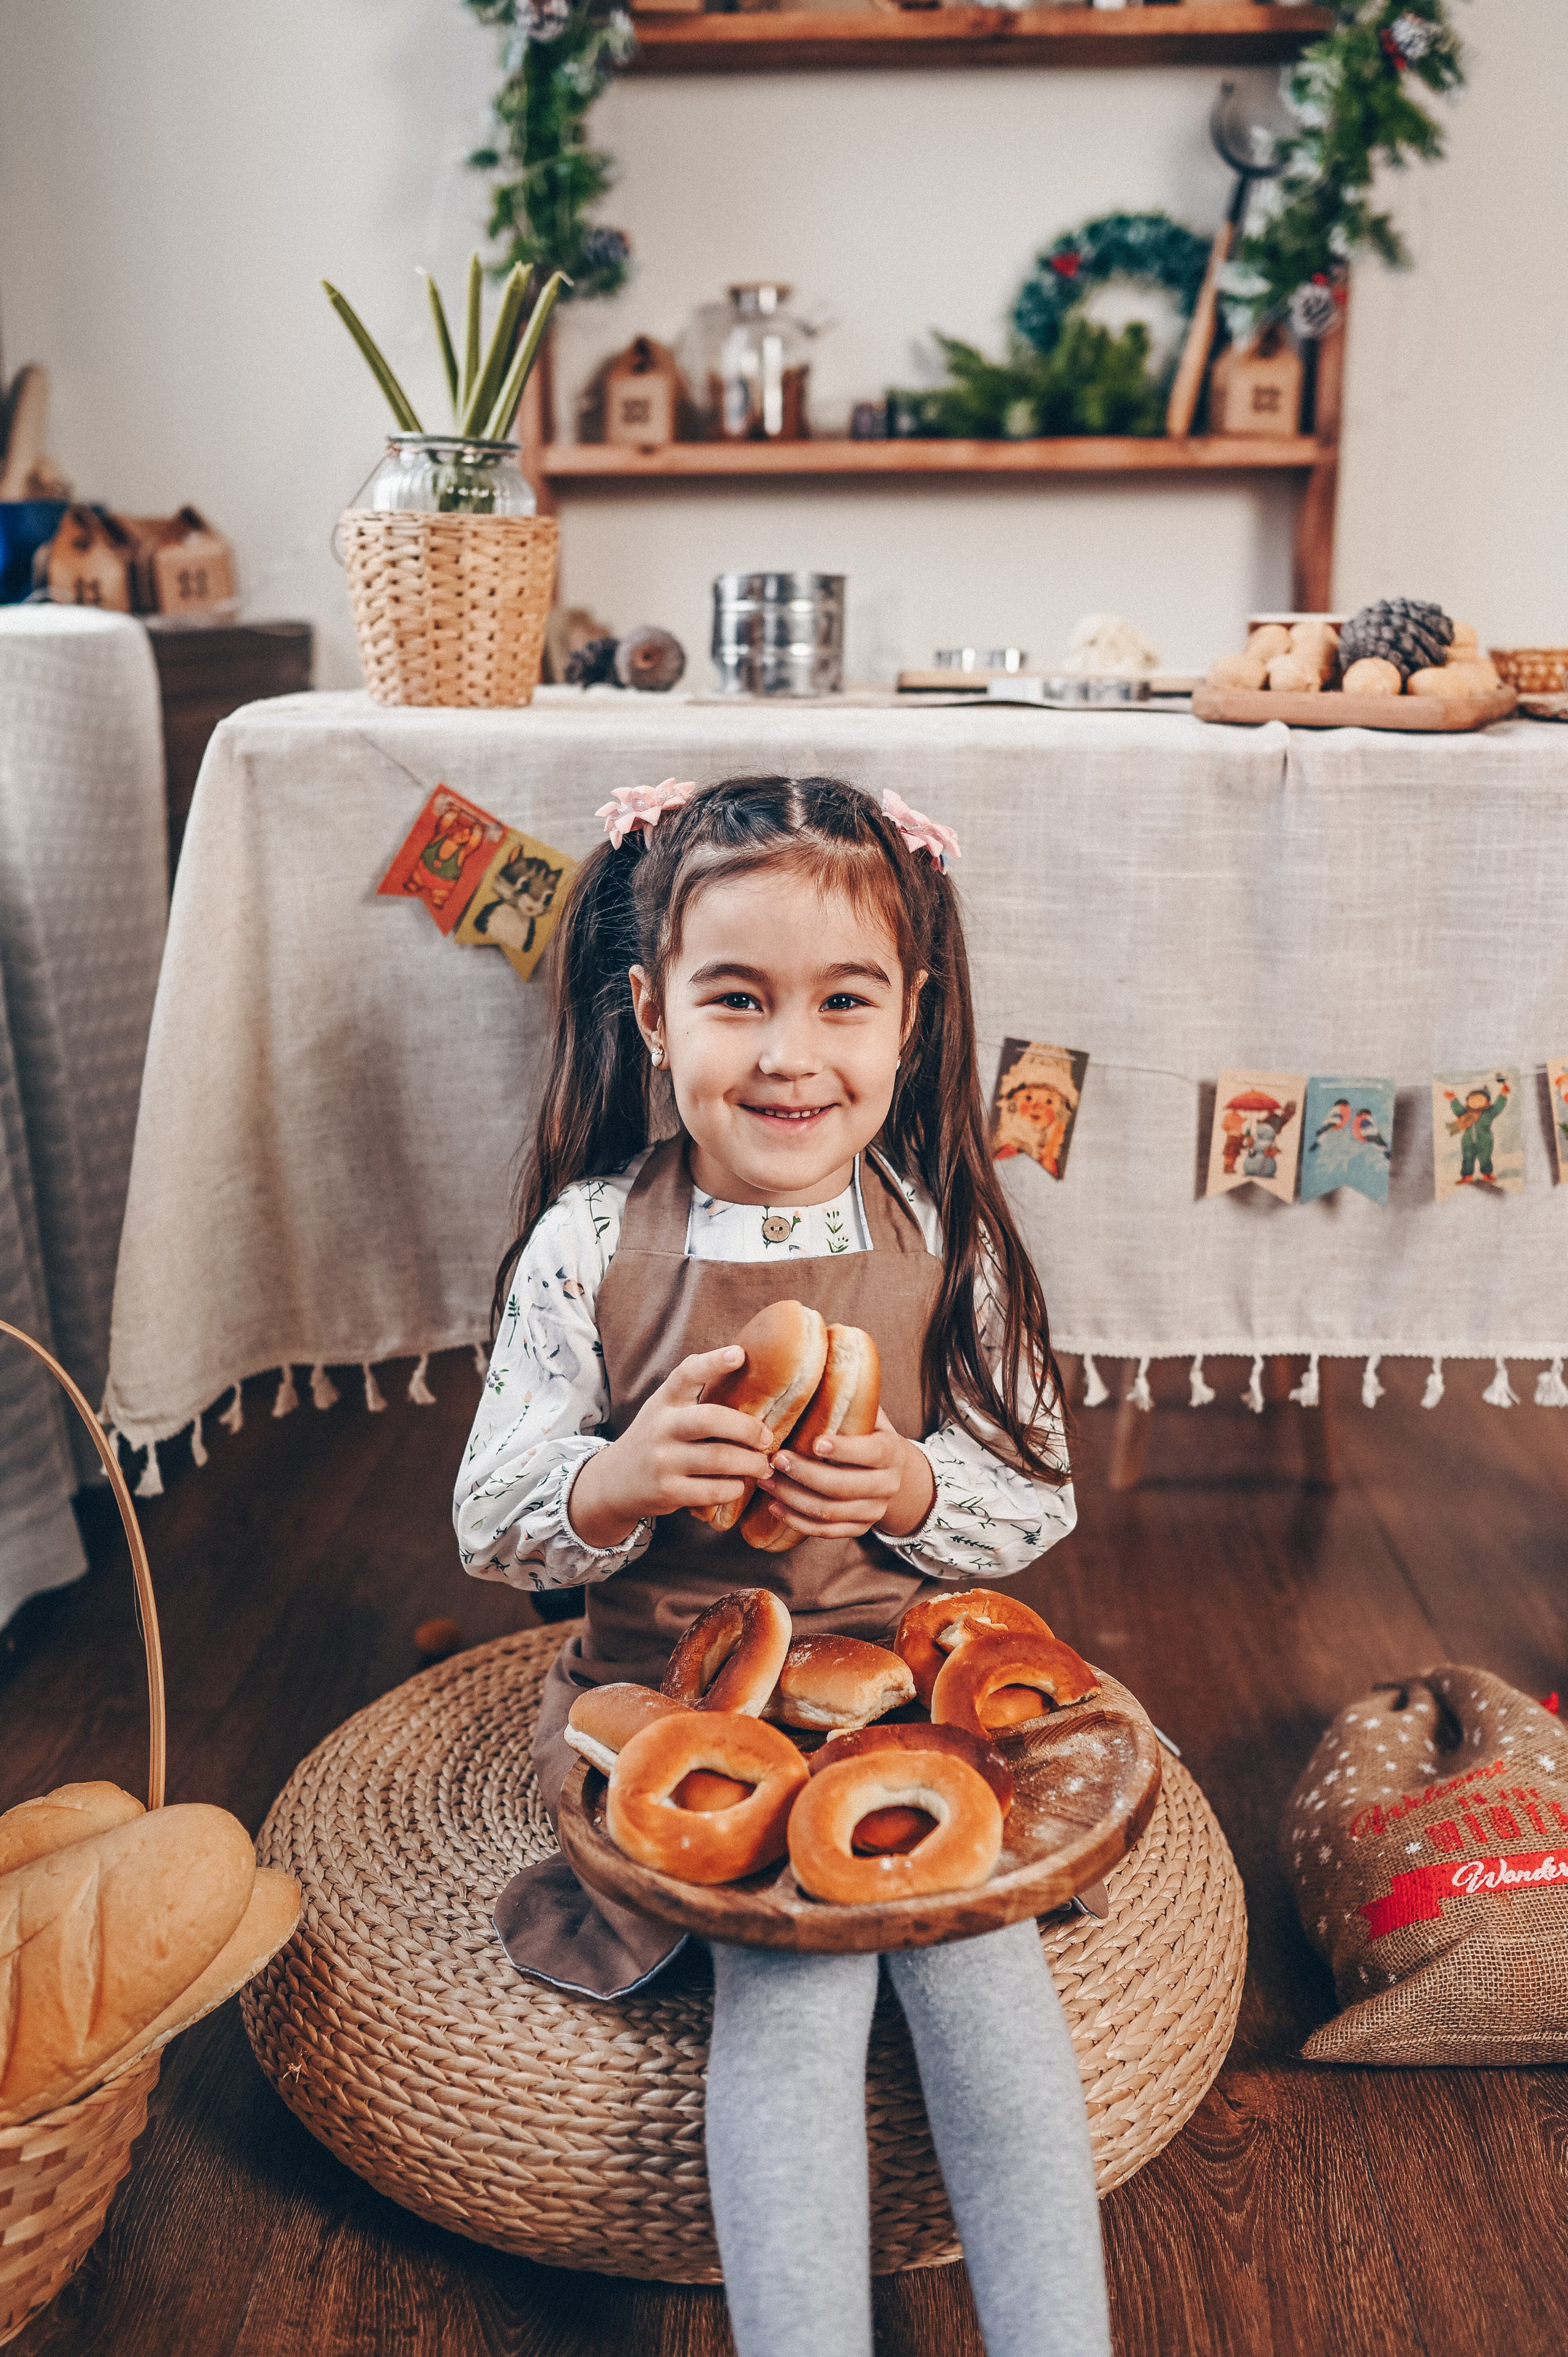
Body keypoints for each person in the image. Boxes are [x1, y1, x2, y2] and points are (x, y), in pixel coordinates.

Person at [454, 774, 1109, 2357]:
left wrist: (901, 1484)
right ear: (654, 1015)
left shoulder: (949, 1235)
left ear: (913, 1020)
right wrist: (613, 1482)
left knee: (984, 1982)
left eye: (843, 1002)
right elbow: (489, 1516)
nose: (791, 1054)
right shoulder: (588, 1245)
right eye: (736, 999)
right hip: (662, 1700)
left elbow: (1035, 1495)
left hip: (905, 1700)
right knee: (799, 1994)